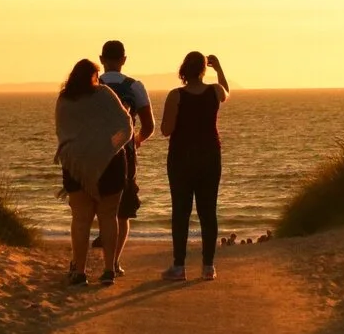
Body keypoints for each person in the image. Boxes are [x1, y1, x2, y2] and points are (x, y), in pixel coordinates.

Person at [54, 57, 135, 286]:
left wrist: (82, 154)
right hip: (110, 165)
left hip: (76, 166)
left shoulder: (65, 99)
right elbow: (126, 126)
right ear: (93, 76)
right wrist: (109, 148)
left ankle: (79, 272)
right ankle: (109, 270)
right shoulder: (104, 94)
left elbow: (62, 133)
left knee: (80, 221)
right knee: (108, 218)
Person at [157, 50, 230, 281]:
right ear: (203, 70)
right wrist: (218, 69)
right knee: (208, 211)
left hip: (181, 158)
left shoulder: (176, 96)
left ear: (183, 70)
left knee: (181, 212)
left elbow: (166, 130)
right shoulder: (214, 91)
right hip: (210, 155)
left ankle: (179, 267)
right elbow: (226, 92)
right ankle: (208, 266)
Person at [96, 40, 153, 275]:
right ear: (124, 60)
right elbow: (148, 126)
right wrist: (135, 140)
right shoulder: (134, 87)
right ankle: (114, 262)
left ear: (101, 60)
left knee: (90, 210)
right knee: (122, 212)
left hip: (93, 155)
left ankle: (81, 262)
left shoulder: (91, 85)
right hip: (125, 157)